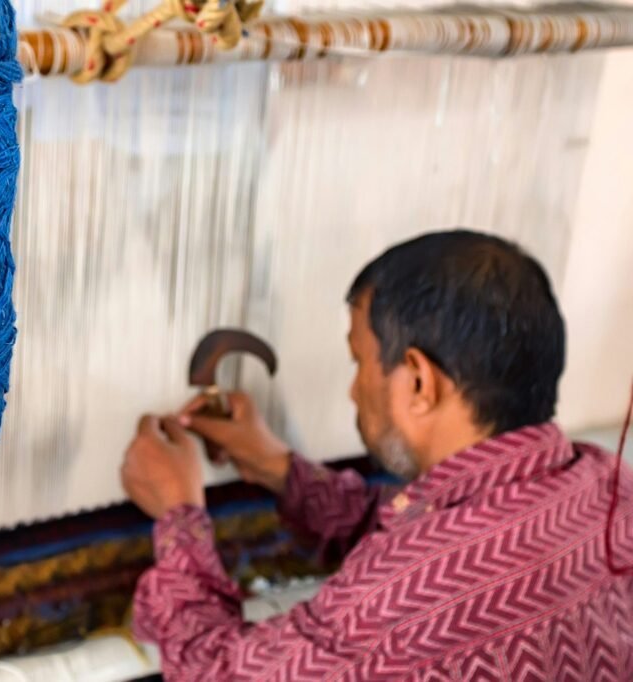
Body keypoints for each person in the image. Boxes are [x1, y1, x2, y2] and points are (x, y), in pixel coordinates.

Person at [121, 229, 633, 680]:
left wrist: (178, 516)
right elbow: (417, 529)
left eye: (358, 361)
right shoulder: (606, 482)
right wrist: (278, 469)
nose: (352, 392)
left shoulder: (398, 605)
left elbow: (217, 675)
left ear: (418, 380)